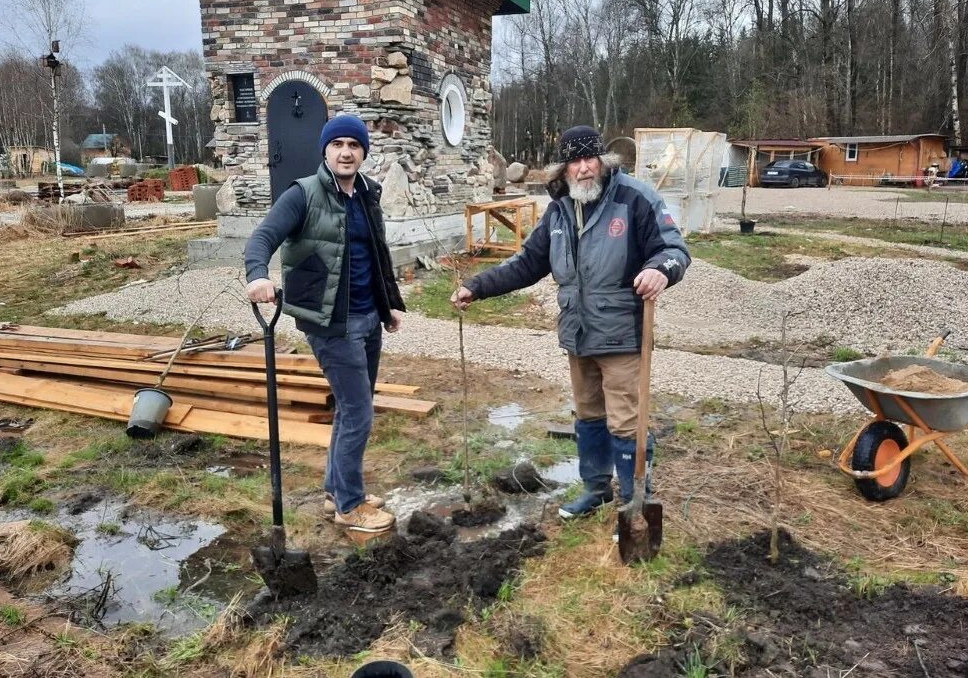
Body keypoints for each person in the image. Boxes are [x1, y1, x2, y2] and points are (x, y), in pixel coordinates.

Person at [451, 125, 690, 528]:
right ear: (562, 170)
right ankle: (595, 491)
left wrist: (659, 270)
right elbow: (528, 263)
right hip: (578, 332)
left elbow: (674, 249)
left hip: (623, 332)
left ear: (603, 160)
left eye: (590, 159)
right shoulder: (560, 210)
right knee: (588, 414)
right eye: (575, 161)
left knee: (626, 420)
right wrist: (477, 286)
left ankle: (634, 503)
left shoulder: (635, 199)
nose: (584, 168)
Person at [245, 113, 405, 534]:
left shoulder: (368, 193)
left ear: (364, 152)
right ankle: (350, 506)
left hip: (368, 317)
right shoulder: (303, 194)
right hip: (329, 320)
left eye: (354, 145)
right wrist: (258, 275)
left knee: (352, 407)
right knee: (359, 411)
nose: (346, 152)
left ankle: (337, 487)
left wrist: (391, 304)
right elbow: (262, 238)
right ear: (326, 150)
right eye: (338, 145)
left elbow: (377, 253)